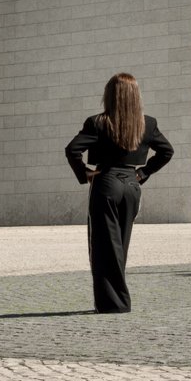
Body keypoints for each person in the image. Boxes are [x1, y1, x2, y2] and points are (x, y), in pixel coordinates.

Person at [64, 72, 174, 313]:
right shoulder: (148, 123)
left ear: (109, 95)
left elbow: (72, 150)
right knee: (120, 244)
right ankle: (118, 301)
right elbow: (167, 152)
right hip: (132, 185)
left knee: (104, 245)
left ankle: (113, 303)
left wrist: (85, 174)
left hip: (106, 182)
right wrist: (143, 174)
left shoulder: (97, 122)